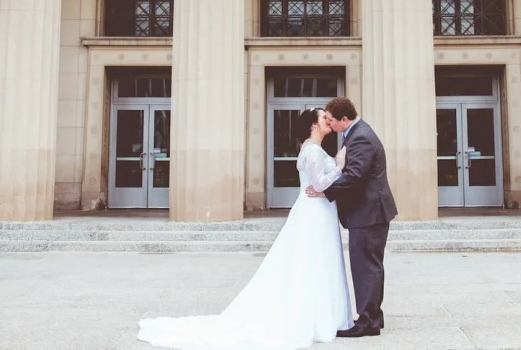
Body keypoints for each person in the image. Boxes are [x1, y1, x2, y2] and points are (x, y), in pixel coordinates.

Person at [138, 108, 353, 350]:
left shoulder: (313, 149)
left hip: (318, 210)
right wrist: (340, 166)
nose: (329, 121)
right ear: (314, 125)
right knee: (313, 261)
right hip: (314, 212)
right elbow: (319, 183)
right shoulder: (312, 151)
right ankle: (317, 318)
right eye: (324, 118)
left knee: (317, 262)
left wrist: (333, 166)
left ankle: (323, 316)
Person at [305, 97, 397, 338]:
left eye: (332, 120)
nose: (330, 124)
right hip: (369, 211)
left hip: (369, 212)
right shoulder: (356, 133)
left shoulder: (361, 137)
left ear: (344, 120)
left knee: (365, 266)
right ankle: (373, 315)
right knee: (371, 265)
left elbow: (355, 175)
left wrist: (326, 190)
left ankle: (367, 322)